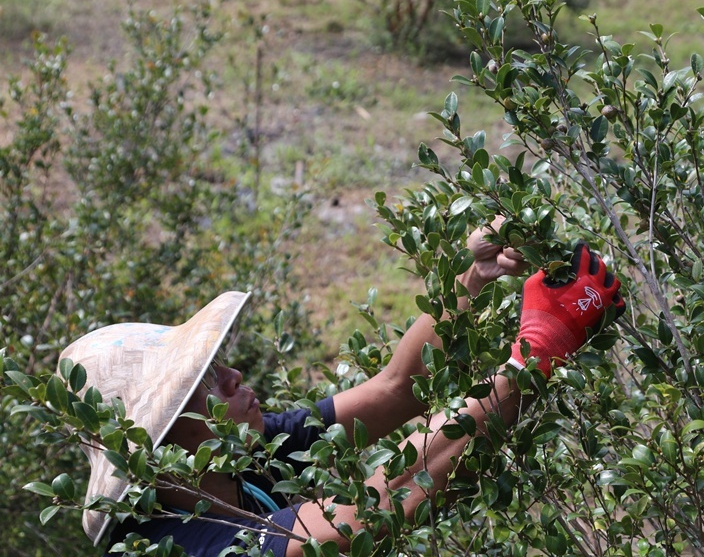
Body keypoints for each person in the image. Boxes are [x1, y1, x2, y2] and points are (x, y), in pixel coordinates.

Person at [59, 224, 624, 557]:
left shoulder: (246, 458)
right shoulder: (168, 542)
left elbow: (397, 388)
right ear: (160, 440)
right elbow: (348, 526)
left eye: (217, 367)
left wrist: (473, 277)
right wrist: (538, 352)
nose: (234, 379)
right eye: (200, 388)